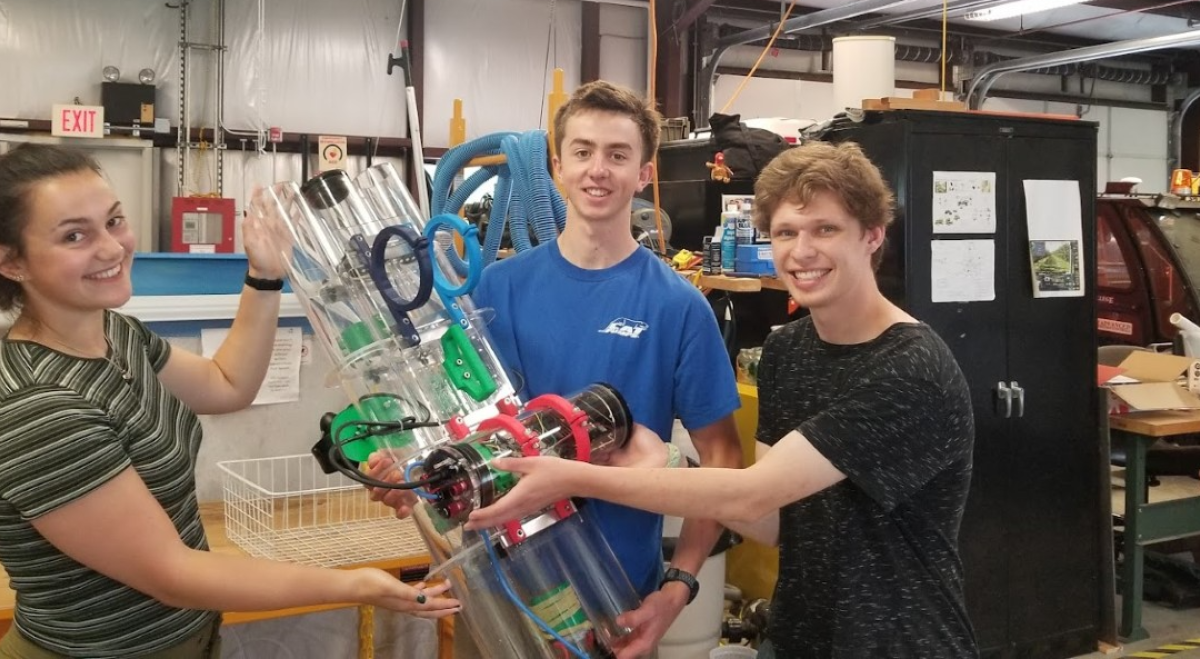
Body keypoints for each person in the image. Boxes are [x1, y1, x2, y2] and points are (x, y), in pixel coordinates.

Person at [466, 141, 979, 658]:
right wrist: (664, 462)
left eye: (826, 229)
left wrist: (569, 477)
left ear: (872, 236)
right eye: (786, 232)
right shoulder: (788, 352)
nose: (802, 251)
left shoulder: (911, 369)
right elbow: (774, 521)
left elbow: (752, 494)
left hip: (902, 643)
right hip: (796, 639)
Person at [0, 144, 458, 659]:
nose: (111, 248)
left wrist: (264, 272)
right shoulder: (38, 408)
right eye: (74, 235)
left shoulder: (118, 335)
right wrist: (357, 586)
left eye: (114, 221)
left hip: (186, 636)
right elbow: (173, 574)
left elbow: (226, 383)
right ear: (12, 261)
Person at [371, 80, 743, 659]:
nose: (599, 170)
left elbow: (724, 460)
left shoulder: (678, 306)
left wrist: (679, 586)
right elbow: (459, 423)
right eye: (583, 151)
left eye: (618, 155)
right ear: (557, 167)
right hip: (498, 592)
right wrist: (413, 467)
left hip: (613, 601)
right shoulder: (498, 288)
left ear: (644, 173)